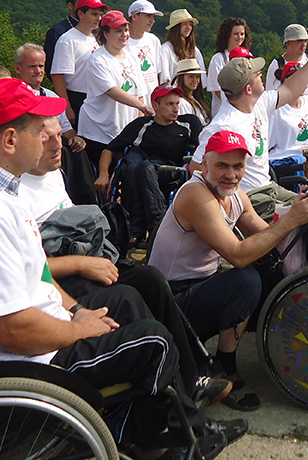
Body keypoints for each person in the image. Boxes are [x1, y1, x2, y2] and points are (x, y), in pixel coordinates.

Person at [0, 78, 245, 455]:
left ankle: (185, 429)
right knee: (154, 342)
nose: (56, 140)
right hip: (11, 366)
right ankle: (153, 445)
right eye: (41, 132)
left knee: (130, 299)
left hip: (24, 334)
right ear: (10, 140)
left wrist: (78, 309)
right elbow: (7, 329)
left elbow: (38, 273)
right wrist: (78, 330)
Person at [20, 115, 231, 407]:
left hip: (89, 256)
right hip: (64, 276)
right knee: (130, 296)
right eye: (48, 138)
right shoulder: (14, 192)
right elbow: (29, 267)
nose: (61, 144)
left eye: (60, 135)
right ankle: (166, 395)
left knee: (151, 279)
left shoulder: (52, 171)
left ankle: (191, 373)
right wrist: (81, 265)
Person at [149, 130, 308, 411]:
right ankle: (225, 364)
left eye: (238, 166)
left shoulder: (236, 195)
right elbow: (239, 255)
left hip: (199, 286)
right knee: (246, 279)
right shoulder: (196, 194)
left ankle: (227, 353)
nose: (231, 174)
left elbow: (267, 236)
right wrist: (290, 221)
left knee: (266, 271)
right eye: (222, 166)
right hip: (170, 302)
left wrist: (296, 209)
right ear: (204, 165)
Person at [188, 38, 308, 220]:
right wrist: (229, 202)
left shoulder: (259, 103)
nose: (261, 74)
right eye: (257, 74)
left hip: (268, 187)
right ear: (248, 88)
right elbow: (195, 168)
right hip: (249, 198)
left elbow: (290, 89)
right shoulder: (224, 125)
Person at [95, 84, 202, 244]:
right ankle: (144, 230)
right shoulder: (141, 125)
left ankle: (150, 228)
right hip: (138, 172)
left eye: (177, 104)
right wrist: (103, 174)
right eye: (169, 104)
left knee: (143, 167)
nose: (175, 109)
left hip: (171, 171)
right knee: (133, 164)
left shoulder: (189, 123)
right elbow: (109, 149)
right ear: (156, 106)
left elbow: (200, 148)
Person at [76, 11, 152, 168]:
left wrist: (139, 122)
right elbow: (111, 90)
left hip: (124, 130)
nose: (124, 34)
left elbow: (140, 93)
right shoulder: (98, 59)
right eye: (118, 31)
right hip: (99, 130)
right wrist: (141, 106)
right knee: (102, 176)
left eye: (126, 30)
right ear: (106, 34)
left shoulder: (132, 58)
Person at [12, 43, 85, 153]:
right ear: (18, 68)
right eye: (32, 66)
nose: (38, 71)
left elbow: (65, 128)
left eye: (41, 66)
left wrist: (76, 139)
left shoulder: (52, 96)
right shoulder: (12, 96)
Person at [268, 61, 308, 179]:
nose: (303, 83)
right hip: (282, 159)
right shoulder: (276, 108)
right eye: (298, 79)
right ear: (285, 81)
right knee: (302, 160)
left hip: (306, 157)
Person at [50, 0, 106, 126]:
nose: (99, 18)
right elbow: (57, 75)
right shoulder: (68, 40)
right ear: (81, 14)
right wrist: (67, 108)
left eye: (100, 14)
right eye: (94, 14)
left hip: (94, 97)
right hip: (77, 97)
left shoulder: (94, 39)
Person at [206, 17, 250, 116]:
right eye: (236, 34)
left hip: (244, 111)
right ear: (227, 35)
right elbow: (217, 90)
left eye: (242, 34)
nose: (239, 37)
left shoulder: (248, 56)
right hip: (223, 113)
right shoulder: (218, 59)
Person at [264, 24, 308, 96]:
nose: (304, 44)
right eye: (300, 41)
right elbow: (270, 94)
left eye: (305, 41)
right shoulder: (276, 65)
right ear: (288, 42)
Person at [43, 0, 86, 78]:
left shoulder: (94, 31)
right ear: (70, 6)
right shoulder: (57, 31)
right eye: (81, 4)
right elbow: (50, 67)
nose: (85, 7)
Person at [126, 0, 164, 95]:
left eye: (153, 16)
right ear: (134, 16)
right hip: (132, 101)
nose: (152, 20)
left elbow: (159, 73)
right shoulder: (122, 43)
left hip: (152, 102)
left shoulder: (154, 40)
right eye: (148, 16)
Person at [158, 9, 205, 85]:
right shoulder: (165, 50)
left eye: (190, 24)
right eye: (184, 24)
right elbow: (165, 81)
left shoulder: (194, 50)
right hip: (172, 94)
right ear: (176, 28)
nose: (188, 27)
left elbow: (202, 80)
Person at [174, 58, 210, 126]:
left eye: (197, 77)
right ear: (182, 78)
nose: (195, 80)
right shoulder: (182, 103)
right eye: (191, 76)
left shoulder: (194, 99)